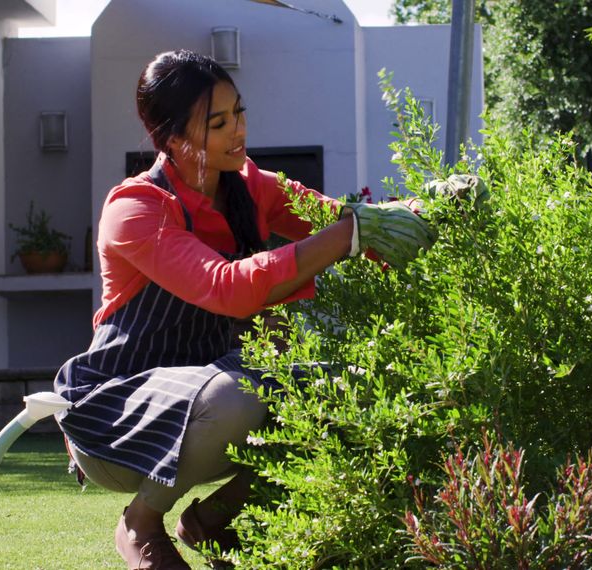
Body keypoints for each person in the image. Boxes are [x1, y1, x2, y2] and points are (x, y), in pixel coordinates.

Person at [53, 49, 436, 570]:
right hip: (115, 417)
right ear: (171, 139)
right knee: (241, 393)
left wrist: (417, 214)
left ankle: (216, 520)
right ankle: (140, 522)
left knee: (341, 396)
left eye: (239, 113)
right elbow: (226, 286)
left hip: (209, 400)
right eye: (218, 122)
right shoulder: (136, 208)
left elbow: (337, 219)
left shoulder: (251, 186)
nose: (238, 130)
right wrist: (349, 235)